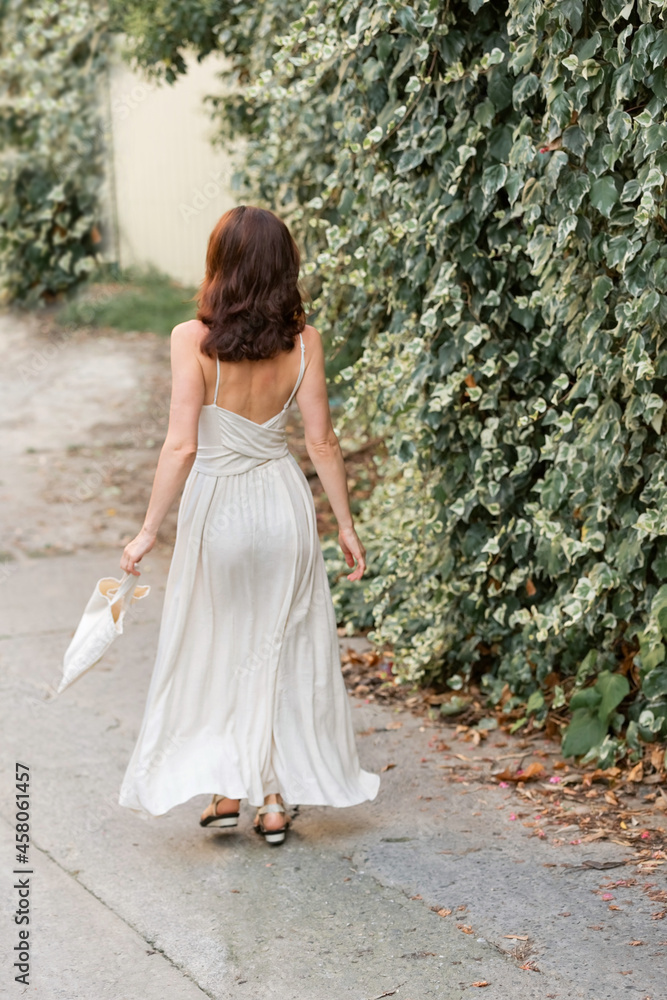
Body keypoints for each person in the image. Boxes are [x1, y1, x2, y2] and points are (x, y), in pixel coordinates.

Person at [118, 205, 380, 845]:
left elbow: (181, 447)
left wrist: (148, 530)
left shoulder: (192, 340)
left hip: (220, 511)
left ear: (220, 268)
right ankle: (270, 801)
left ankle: (229, 789)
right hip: (283, 509)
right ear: (283, 270)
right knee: (279, 651)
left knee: (222, 646)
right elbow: (321, 442)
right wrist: (344, 524)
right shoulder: (305, 342)